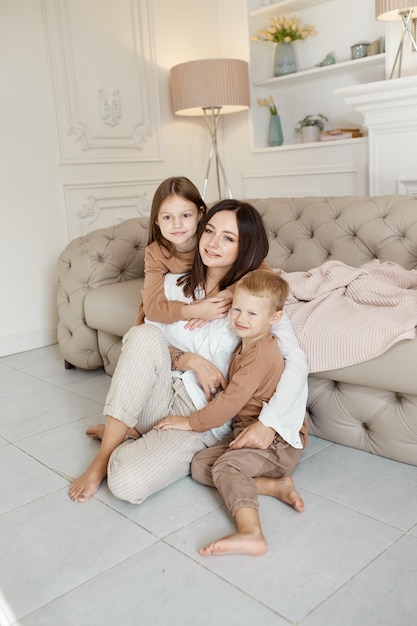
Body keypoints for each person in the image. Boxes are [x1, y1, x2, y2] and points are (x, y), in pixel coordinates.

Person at [68, 199, 308, 505]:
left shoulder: (254, 302)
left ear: (245, 247)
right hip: (158, 393)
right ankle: (103, 457)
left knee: (127, 483)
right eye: (209, 231)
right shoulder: (174, 286)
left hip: (204, 413)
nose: (213, 243)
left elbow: (295, 361)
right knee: (142, 334)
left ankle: (130, 434)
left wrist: (269, 423)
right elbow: (147, 344)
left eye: (228, 238)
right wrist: (190, 360)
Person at [155, 268, 307, 557]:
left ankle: (251, 532)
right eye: (237, 309)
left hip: (276, 445)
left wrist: (191, 423)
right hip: (243, 432)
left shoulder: (262, 353)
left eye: (252, 314)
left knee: (226, 468)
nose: (240, 318)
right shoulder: (245, 345)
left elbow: (231, 403)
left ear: (274, 319)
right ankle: (273, 486)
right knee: (201, 466)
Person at [134, 176, 231, 328]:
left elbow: (258, 268)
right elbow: (152, 307)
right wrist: (195, 311)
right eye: (167, 217)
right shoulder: (155, 252)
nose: (177, 224)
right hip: (178, 319)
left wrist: (227, 294)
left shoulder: (212, 240)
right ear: (157, 221)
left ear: (200, 214)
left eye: (186, 215)